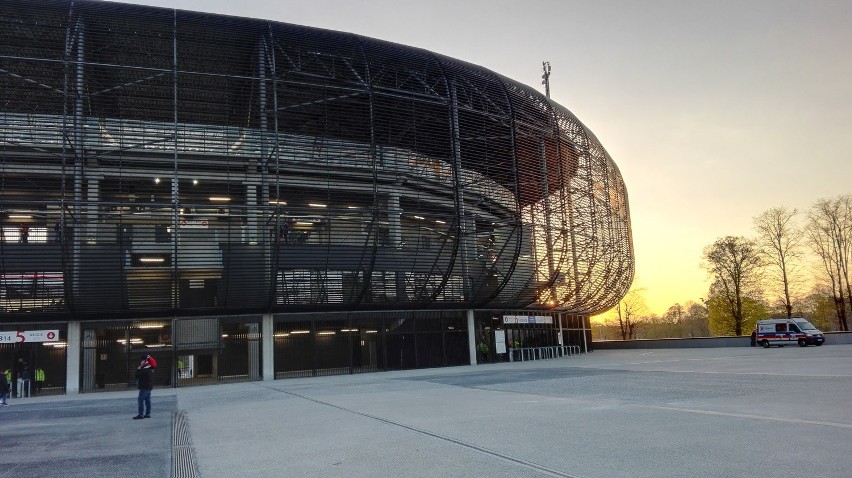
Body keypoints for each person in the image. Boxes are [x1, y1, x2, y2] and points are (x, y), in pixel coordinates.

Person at [133, 354, 155, 419]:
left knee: (140, 400)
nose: (141, 362)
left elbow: (137, 376)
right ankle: (147, 414)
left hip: (144, 387)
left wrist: (138, 369)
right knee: (147, 400)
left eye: (142, 361)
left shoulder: (144, 370)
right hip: (149, 387)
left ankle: (141, 414)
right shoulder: (150, 369)